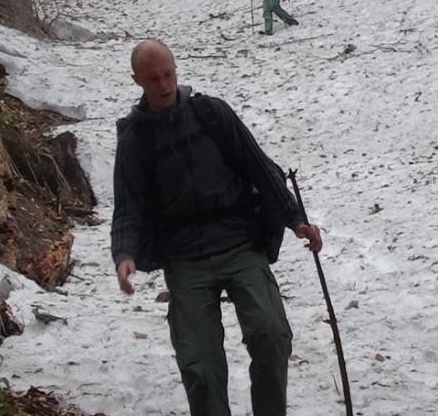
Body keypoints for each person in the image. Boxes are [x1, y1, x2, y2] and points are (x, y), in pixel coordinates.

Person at [112, 39, 324, 416]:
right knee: (200, 366)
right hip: (184, 258)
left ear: (176, 69)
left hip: (239, 242)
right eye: (153, 78)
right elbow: (129, 206)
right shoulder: (135, 139)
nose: (163, 85)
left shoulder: (211, 114)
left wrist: (295, 220)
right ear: (136, 81)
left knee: (271, 335)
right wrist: (124, 254)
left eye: (168, 75)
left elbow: (258, 164)